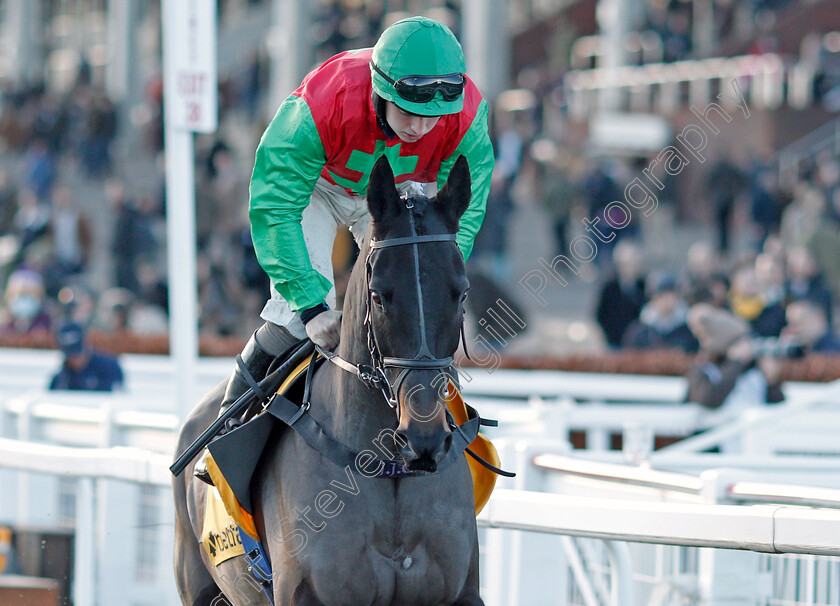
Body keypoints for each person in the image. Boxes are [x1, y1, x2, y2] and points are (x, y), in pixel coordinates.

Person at [194, 16, 494, 484]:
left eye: (432, 116)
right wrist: (311, 304)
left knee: (418, 301)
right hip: (313, 187)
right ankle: (231, 424)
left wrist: (439, 272)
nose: (420, 126)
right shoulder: (324, 102)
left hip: (391, 192)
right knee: (297, 319)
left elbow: (466, 207)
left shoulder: (468, 116)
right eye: (408, 111)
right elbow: (275, 202)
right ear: (380, 90)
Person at [685, 303, 784, 413]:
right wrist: (734, 363)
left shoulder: (755, 369)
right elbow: (709, 400)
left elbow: (777, 407)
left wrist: (772, 382)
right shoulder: (703, 369)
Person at [49, 322, 124, 391]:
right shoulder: (62, 378)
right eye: (71, 355)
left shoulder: (109, 368)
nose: (75, 359)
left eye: (77, 354)